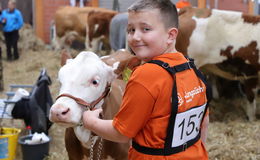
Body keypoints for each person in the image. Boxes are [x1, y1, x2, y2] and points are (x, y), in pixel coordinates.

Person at [83, 0, 211, 159]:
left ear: (171, 35)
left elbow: (121, 133)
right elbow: (203, 123)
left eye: (145, 29)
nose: (135, 37)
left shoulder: (146, 75)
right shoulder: (192, 69)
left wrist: (91, 122)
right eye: (130, 29)